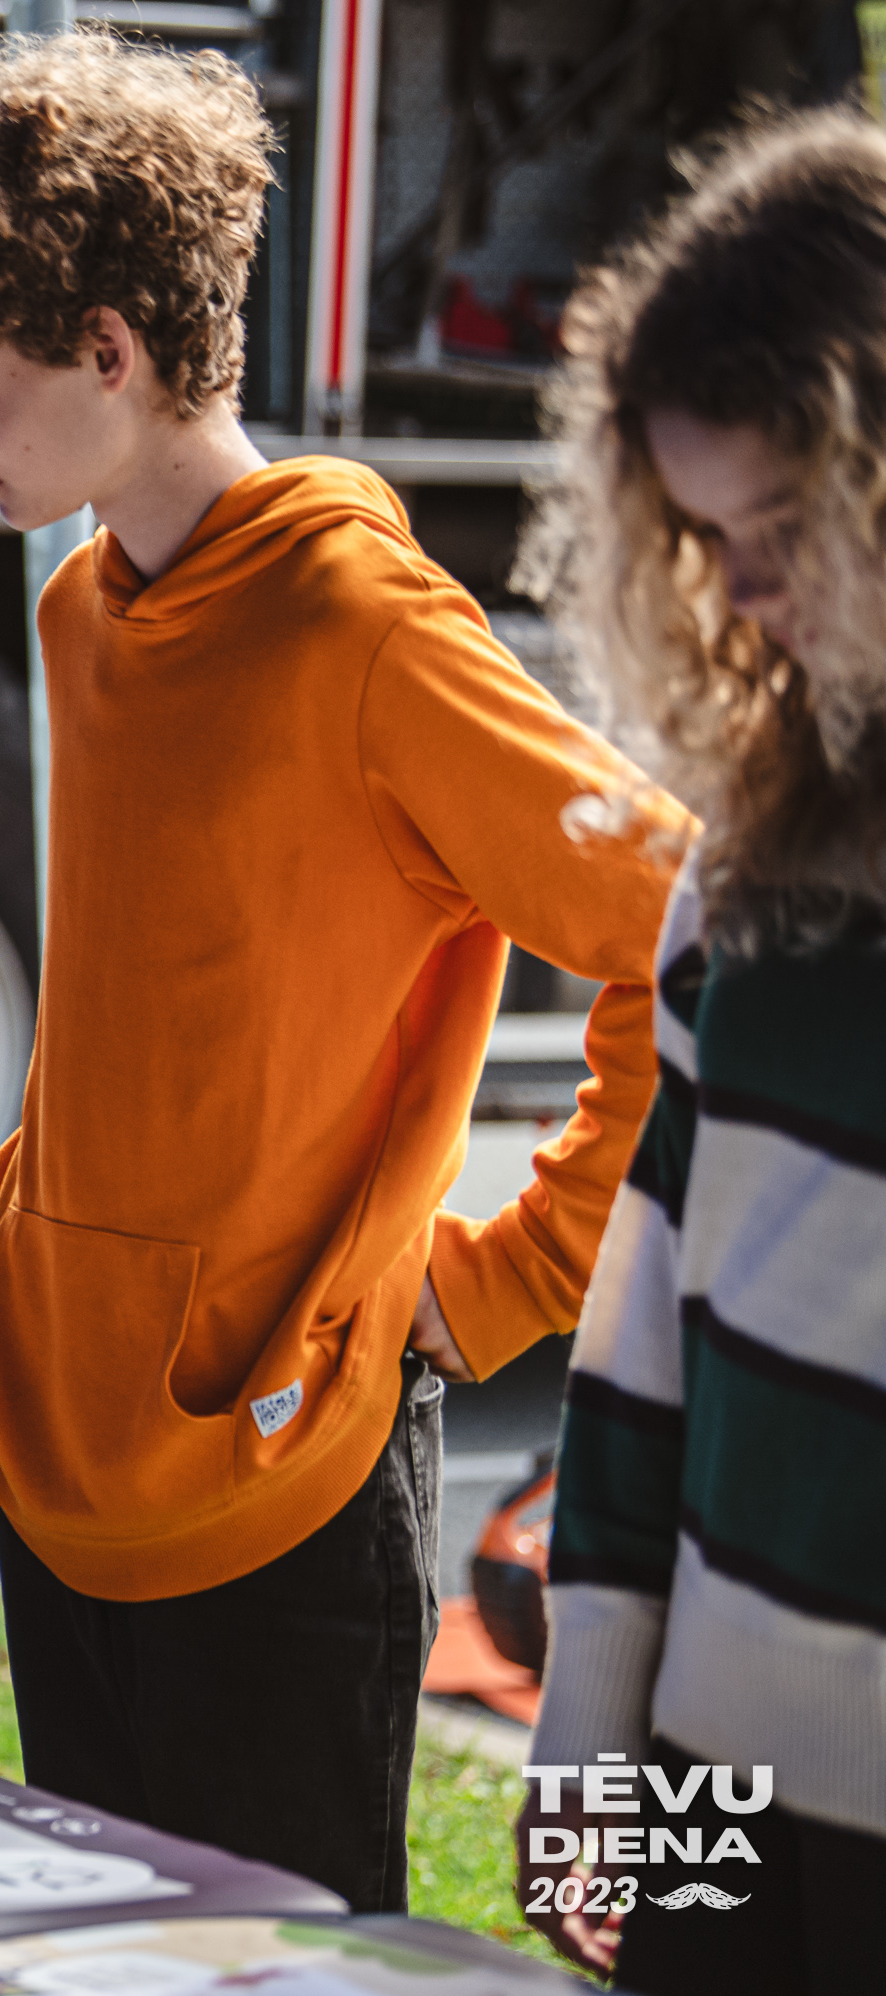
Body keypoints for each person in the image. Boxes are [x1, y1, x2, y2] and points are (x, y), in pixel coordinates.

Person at [0, 31, 684, 1908]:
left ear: (109, 345)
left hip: (287, 1465)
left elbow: (682, 936)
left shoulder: (362, 620)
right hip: (71, 1443)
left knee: (284, 1962)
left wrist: (507, 1283)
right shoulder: (90, 599)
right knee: (109, 1951)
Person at [509, 112, 886, 1991]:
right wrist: (589, 1740)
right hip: (708, 1772)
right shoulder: (745, 851)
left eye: (791, 532)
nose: (740, 598)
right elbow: (643, 1318)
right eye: (708, 539)